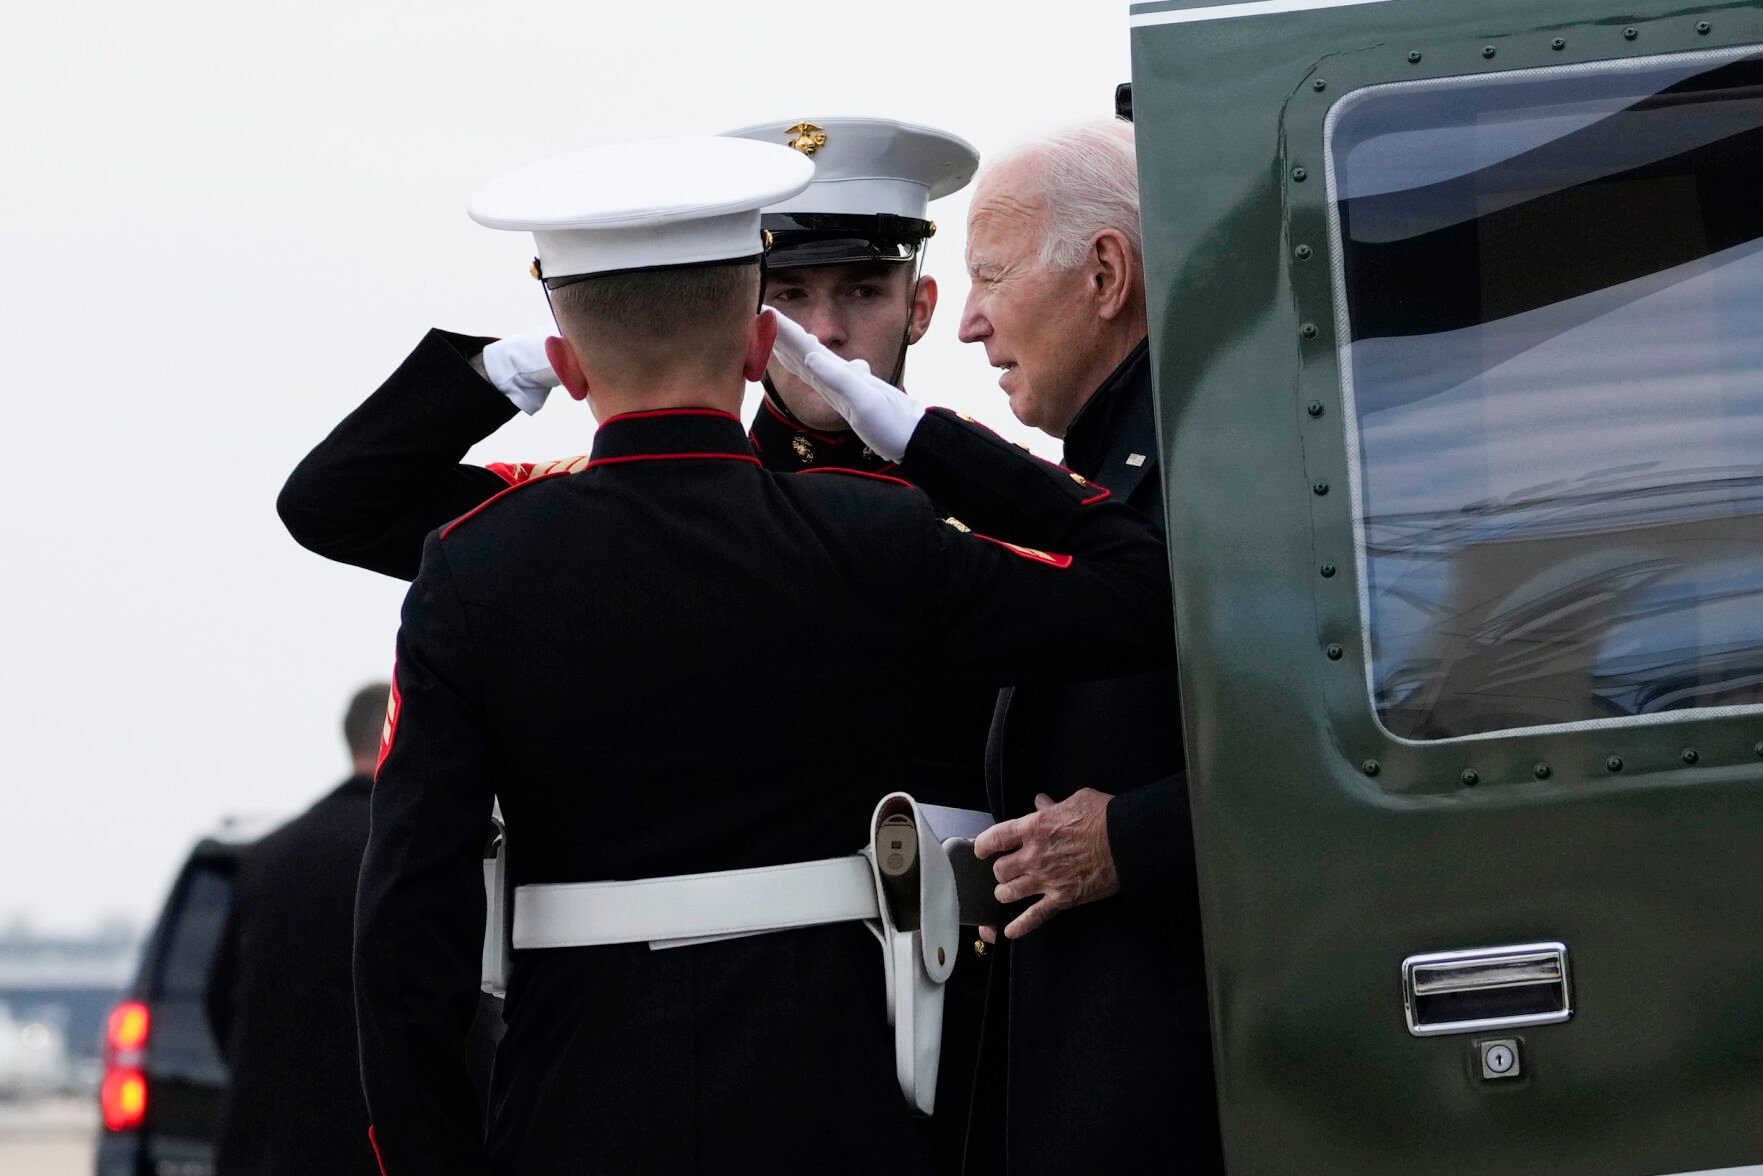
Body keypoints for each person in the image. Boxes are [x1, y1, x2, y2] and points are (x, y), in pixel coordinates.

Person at [352, 134, 1178, 1175]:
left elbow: (407, 927)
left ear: (563, 357)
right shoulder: (874, 532)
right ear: (761, 346)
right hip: (833, 1093)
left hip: (574, 1100)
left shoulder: (474, 567)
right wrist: (916, 435)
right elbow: (1142, 590)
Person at [956, 119, 1223, 1173]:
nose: (970, 323)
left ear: (1105, 273)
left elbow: (1337, 739)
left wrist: (1133, 841)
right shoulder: (1110, 477)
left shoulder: (1208, 472)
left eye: (990, 276)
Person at [204, 683, 389, 1176]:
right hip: (367, 1149)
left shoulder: (269, 855)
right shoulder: (403, 855)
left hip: (261, 1146)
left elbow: (218, 997)